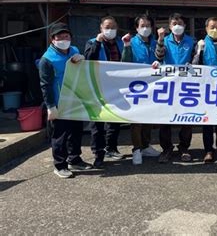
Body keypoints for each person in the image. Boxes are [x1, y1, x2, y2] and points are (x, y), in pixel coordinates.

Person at [39, 23, 92, 178]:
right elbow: (45, 85)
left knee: (76, 131)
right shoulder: (47, 60)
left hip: (75, 99)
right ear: (52, 39)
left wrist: (82, 58)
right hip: (58, 103)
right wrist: (50, 106)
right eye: (59, 37)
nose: (64, 39)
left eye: (66, 36)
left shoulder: (74, 50)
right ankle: (60, 165)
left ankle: (74, 159)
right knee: (60, 135)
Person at [155, 13, 197, 163]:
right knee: (165, 119)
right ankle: (166, 149)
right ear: (170, 26)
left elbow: (196, 59)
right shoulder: (164, 40)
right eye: (174, 23)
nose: (177, 26)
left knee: (187, 118)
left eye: (180, 23)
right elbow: (159, 57)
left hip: (187, 85)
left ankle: (184, 148)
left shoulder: (192, 41)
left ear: (184, 26)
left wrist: (192, 63)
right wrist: (160, 39)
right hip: (168, 85)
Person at [84, 16, 125, 168]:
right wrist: (98, 42)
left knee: (115, 120)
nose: (110, 30)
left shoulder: (121, 43)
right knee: (97, 123)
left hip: (117, 87)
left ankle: (111, 148)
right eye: (107, 27)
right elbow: (88, 59)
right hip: (97, 87)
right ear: (101, 28)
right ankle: (98, 153)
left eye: (113, 27)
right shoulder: (92, 42)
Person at [121, 14, 161, 165]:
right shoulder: (130, 42)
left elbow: (161, 58)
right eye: (142, 26)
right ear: (136, 28)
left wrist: (159, 62)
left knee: (148, 117)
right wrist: (126, 46)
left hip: (153, 85)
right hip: (136, 85)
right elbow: (125, 61)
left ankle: (145, 146)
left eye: (148, 26)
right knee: (136, 119)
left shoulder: (155, 42)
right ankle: (136, 149)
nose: (146, 29)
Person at [192, 17, 217, 163]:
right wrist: (200, 51)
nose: (215, 30)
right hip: (205, 89)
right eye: (212, 27)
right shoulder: (200, 44)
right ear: (206, 29)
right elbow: (195, 65)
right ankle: (208, 149)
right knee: (207, 121)